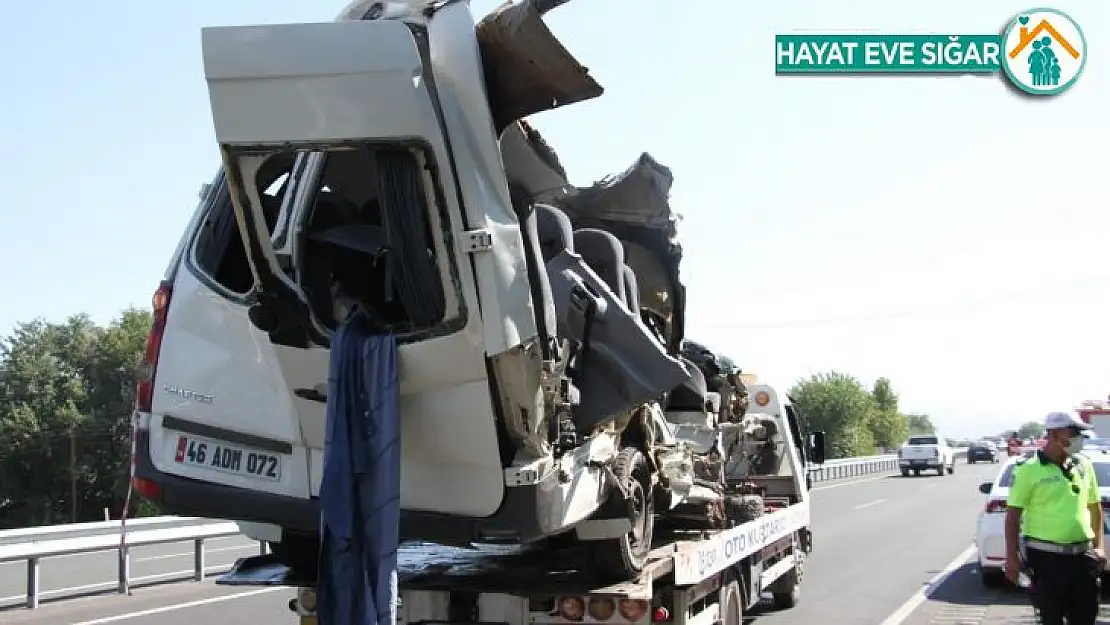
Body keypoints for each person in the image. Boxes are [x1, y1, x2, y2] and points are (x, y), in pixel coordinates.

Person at [1005, 411, 1104, 625]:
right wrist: (1011, 558)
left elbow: (1095, 508)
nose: (1079, 438)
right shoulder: (1028, 470)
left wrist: (1099, 547)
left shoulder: (1084, 466)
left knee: (1086, 616)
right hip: (1046, 559)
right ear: (1055, 434)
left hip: (1083, 557)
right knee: (1052, 619)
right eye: (1075, 432)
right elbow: (1013, 515)